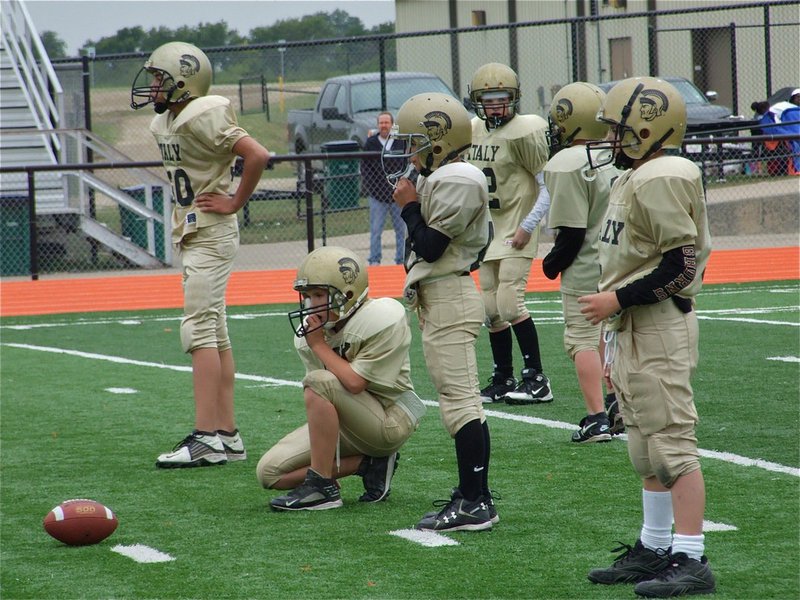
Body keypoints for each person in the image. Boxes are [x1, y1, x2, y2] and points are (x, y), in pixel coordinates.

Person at [578, 76, 715, 597]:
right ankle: (656, 546)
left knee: (673, 445)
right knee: (643, 446)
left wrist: (617, 299)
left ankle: (690, 557)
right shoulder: (633, 177)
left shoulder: (663, 174)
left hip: (656, 323)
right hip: (629, 328)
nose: (610, 140)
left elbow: (680, 266)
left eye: (617, 129)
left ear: (646, 129)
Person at [130, 41, 271, 468]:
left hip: (211, 231)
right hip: (195, 232)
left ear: (184, 83)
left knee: (197, 331)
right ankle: (226, 434)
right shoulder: (171, 121)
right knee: (215, 331)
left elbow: (257, 155)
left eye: (160, 79)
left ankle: (206, 437)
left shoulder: (204, 113)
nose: (153, 87)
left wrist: (233, 202)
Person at [385, 92, 495, 532]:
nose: (409, 151)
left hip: (451, 296)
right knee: (459, 400)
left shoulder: (459, 177)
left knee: (461, 403)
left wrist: (410, 206)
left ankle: (475, 501)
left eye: (415, 140)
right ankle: (474, 495)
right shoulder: (448, 174)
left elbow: (430, 245)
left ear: (438, 139)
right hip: (442, 296)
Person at [258, 246, 425, 510]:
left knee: (319, 382)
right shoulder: (309, 337)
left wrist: (320, 346)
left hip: (389, 419)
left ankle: (321, 487)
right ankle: (370, 465)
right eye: (307, 296)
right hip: (349, 421)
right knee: (269, 473)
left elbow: (356, 383)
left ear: (347, 294)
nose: (311, 303)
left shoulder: (381, 319)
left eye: (318, 294)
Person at [466, 63, 554, 406]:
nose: (495, 107)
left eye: (501, 99)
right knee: (490, 308)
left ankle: (537, 378)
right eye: (487, 100)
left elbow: (549, 184)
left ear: (514, 99)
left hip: (516, 226)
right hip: (488, 230)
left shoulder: (525, 130)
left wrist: (528, 225)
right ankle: (503, 377)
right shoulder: (473, 129)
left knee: (509, 302)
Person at [541, 82, 623, 443]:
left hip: (586, 263)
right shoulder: (612, 154)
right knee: (611, 336)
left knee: (581, 340)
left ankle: (596, 419)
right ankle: (617, 404)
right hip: (619, 261)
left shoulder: (568, 162)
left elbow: (572, 233)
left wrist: (551, 263)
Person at [361, 112, 406, 265]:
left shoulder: (400, 142)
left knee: (401, 231)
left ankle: (401, 259)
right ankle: (375, 260)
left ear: (392, 125)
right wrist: (372, 188)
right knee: (375, 231)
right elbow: (365, 167)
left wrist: (402, 185)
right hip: (377, 197)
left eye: (387, 122)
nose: (384, 125)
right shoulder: (371, 143)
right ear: (377, 125)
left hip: (397, 195)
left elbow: (408, 165)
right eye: (381, 123)